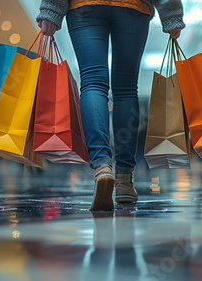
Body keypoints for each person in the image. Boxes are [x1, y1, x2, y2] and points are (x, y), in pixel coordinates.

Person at [37, 0, 185, 211]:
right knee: (126, 89)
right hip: (133, 8)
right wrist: (171, 15)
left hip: (85, 7)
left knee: (92, 82)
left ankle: (102, 166)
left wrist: (51, 9)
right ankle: (124, 178)